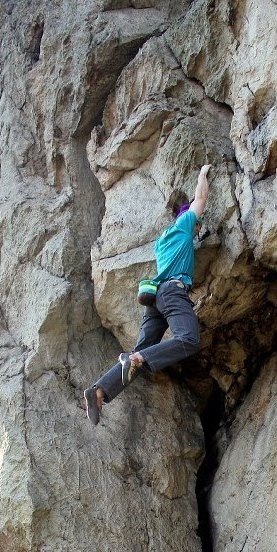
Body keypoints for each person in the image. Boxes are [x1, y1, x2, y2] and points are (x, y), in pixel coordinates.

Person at [84, 164, 212, 424]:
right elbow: (200, 198)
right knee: (188, 339)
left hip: (154, 300)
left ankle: (99, 391)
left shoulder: (162, 240)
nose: (197, 228)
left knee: (136, 359)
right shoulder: (185, 224)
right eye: (196, 224)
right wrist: (202, 175)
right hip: (172, 292)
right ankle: (139, 357)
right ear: (188, 219)